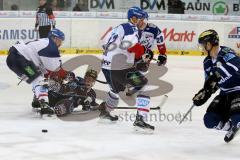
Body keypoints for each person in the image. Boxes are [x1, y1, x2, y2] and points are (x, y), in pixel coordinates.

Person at [100, 6, 154, 132]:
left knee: (116, 89)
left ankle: (105, 113)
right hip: (119, 68)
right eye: (141, 19)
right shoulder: (132, 28)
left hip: (106, 66)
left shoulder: (118, 28)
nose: (143, 22)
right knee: (144, 86)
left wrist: (131, 61)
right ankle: (141, 120)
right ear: (134, 18)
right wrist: (142, 52)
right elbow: (130, 47)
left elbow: (104, 44)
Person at [192, 29, 240, 143]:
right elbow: (211, 84)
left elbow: (237, 63)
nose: (202, 48)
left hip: (238, 90)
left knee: (238, 119)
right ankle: (231, 128)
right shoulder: (207, 62)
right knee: (209, 120)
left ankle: (236, 123)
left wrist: (217, 75)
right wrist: (204, 93)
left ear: (209, 44)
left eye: (203, 45)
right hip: (224, 94)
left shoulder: (226, 52)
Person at [6, 28, 67, 116]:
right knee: (39, 80)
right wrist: (66, 75)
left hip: (12, 61)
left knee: (36, 78)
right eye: (60, 40)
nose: (60, 44)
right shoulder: (51, 45)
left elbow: (45, 70)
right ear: (54, 38)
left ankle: (37, 99)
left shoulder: (43, 43)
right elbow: (54, 69)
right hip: (20, 60)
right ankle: (44, 106)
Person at [126, 10, 167, 96]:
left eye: (143, 20)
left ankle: (136, 80)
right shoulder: (130, 28)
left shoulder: (154, 29)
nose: (141, 22)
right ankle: (130, 78)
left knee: (142, 67)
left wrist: (162, 54)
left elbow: (160, 42)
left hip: (145, 55)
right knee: (126, 70)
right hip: (130, 53)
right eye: (140, 20)